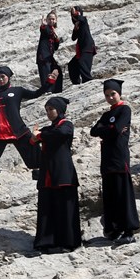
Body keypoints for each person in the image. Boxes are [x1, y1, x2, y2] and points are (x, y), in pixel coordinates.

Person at [90, 79, 140, 244]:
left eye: (113, 94)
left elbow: (117, 129)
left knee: (122, 194)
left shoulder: (124, 110)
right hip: (107, 159)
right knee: (110, 194)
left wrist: (107, 130)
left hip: (119, 157)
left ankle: (128, 230)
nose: (110, 97)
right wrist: (110, 130)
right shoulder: (106, 114)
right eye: (107, 95)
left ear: (119, 93)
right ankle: (113, 229)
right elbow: (93, 131)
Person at [30, 97, 81, 253]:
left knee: (65, 209)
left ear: (59, 110)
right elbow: (32, 140)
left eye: (51, 109)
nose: (48, 113)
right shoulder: (47, 129)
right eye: (46, 110)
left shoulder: (66, 125)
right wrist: (36, 136)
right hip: (47, 174)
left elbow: (59, 133)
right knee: (47, 209)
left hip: (63, 174)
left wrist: (38, 136)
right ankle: (46, 242)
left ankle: (68, 242)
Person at [36, 10, 64, 93]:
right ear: (47, 20)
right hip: (43, 56)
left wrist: (57, 40)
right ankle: (47, 91)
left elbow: (55, 47)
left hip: (50, 57)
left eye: (53, 19)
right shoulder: (46, 28)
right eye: (50, 19)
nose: (51, 21)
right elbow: (44, 29)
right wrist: (43, 24)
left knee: (57, 71)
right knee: (45, 74)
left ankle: (56, 90)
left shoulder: (53, 31)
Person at [67, 6, 96, 85]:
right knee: (72, 64)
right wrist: (75, 29)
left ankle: (88, 80)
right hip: (82, 49)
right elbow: (73, 38)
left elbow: (81, 18)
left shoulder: (83, 20)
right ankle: (76, 83)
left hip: (87, 47)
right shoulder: (78, 25)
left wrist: (76, 13)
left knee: (82, 62)